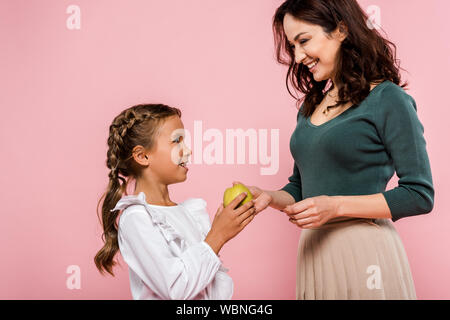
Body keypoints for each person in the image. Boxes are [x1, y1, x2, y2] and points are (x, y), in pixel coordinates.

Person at [239, 0, 434, 299]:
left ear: (341, 29)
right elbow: (301, 187)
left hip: (364, 254)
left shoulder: (388, 99)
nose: (298, 56)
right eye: (292, 46)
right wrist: (269, 198)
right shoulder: (310, 106)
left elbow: (419, 195)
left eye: (304, 41)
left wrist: (335, 206)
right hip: (315, 253)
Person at [94, 104, 256, 300]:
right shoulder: (136, 218)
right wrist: (218, 236)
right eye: (177, 141)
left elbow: (206, 287)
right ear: (143, 155)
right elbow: (176, 290)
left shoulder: (186, 212)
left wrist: (223, 228)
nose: (187, 150)